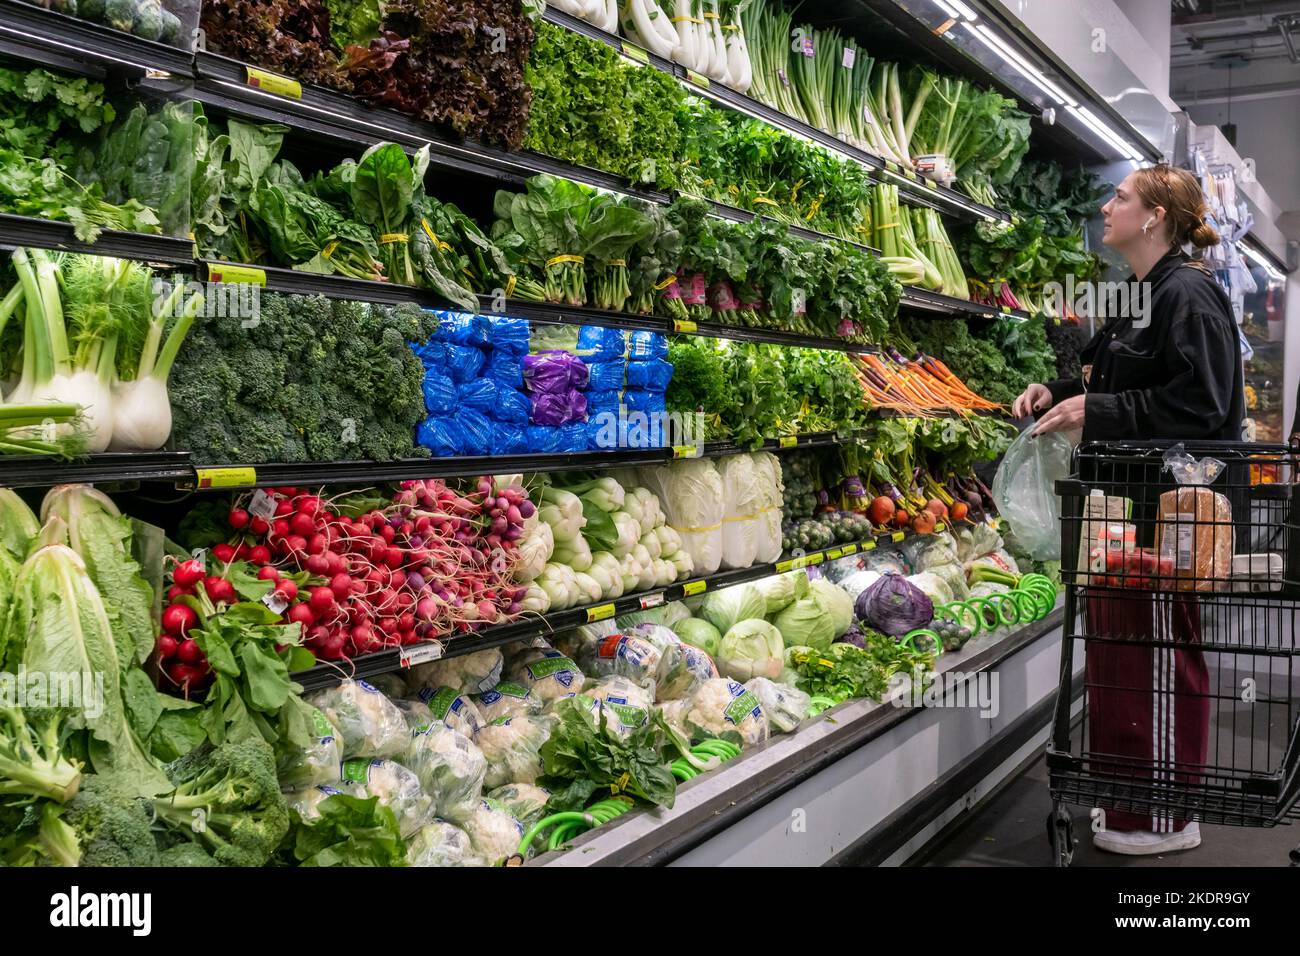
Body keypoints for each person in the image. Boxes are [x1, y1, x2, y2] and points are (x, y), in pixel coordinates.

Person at [1012, 164, 1244, 856]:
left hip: (1168, 518)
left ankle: (1165, 817)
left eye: (1120, 197)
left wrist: (1101, 408)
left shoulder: (1190, 297)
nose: (1106, 205)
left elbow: (1203, 407)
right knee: (1121, 662)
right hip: (1123, 516)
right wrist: (1057, 393)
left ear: (1155, 217)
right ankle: (1126, 804)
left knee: (1160, 660)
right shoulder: (1141, 294)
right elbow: (1107, 378)